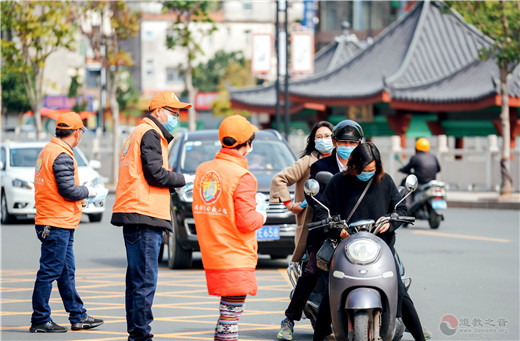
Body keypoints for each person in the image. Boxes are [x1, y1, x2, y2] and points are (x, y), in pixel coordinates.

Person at [312, 142, 427, 341]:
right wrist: (338, 229)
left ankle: (419, 337)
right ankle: (319, 335)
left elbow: (400, 210)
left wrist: (389, 224)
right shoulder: (338, 182)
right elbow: (323, 210)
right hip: (346, 246)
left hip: (379, 247)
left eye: (372, 170)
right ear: (353, 166)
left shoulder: (385, 181)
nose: (367, 173)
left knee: (399, 290)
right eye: (363, 170)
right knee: (330, 294)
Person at [111, 91, 192, 341]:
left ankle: (136, 333)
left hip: (137, 213)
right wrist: (185, 179)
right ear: (158, 112)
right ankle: (141, 336)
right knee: (144, 281)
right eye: (173, 113)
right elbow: (156, 174)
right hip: (143, 214)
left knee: (137, 281)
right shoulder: (150, 133)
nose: (176, 118)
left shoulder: (139, 132)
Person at [277, 120, 363, 341]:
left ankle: (403, 318)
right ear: (335, 143)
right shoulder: (320, 167)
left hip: (360, 232)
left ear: (360, 144)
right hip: (328, 231)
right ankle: (289, 319)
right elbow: (313, 199)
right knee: (312, 271)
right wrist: (332, 222)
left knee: (390, 263)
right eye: (343, 142)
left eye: (352, 143)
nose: (348, 146)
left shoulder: (366, 166)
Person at [192, 114, 266, 341]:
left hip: (212, 252)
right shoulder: (242, 176)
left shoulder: (204, 170)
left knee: (226, 316)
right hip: (235, 255)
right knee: (230, 319)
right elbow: (246, 222)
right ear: (247, 144)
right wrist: (261, 214)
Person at [30, 112, 103, 333]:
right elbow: (68, 189)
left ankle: (78, 316)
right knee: (50, 271)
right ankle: (40, 319)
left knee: (65, 272)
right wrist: (90, 192)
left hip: (56, 221)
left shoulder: (48, 151)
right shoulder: (61, 154)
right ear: (77, 132)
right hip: (56, 223)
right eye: (81, 131)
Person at [270, 121, 334, 263]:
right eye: (319, 137)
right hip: (313, 222)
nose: (323, 140)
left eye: (327, 136)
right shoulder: (307, 161)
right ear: (314, 140)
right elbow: (279, 179)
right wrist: (290, 205)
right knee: (310, 268)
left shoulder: (343, 160)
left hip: (337, 219)